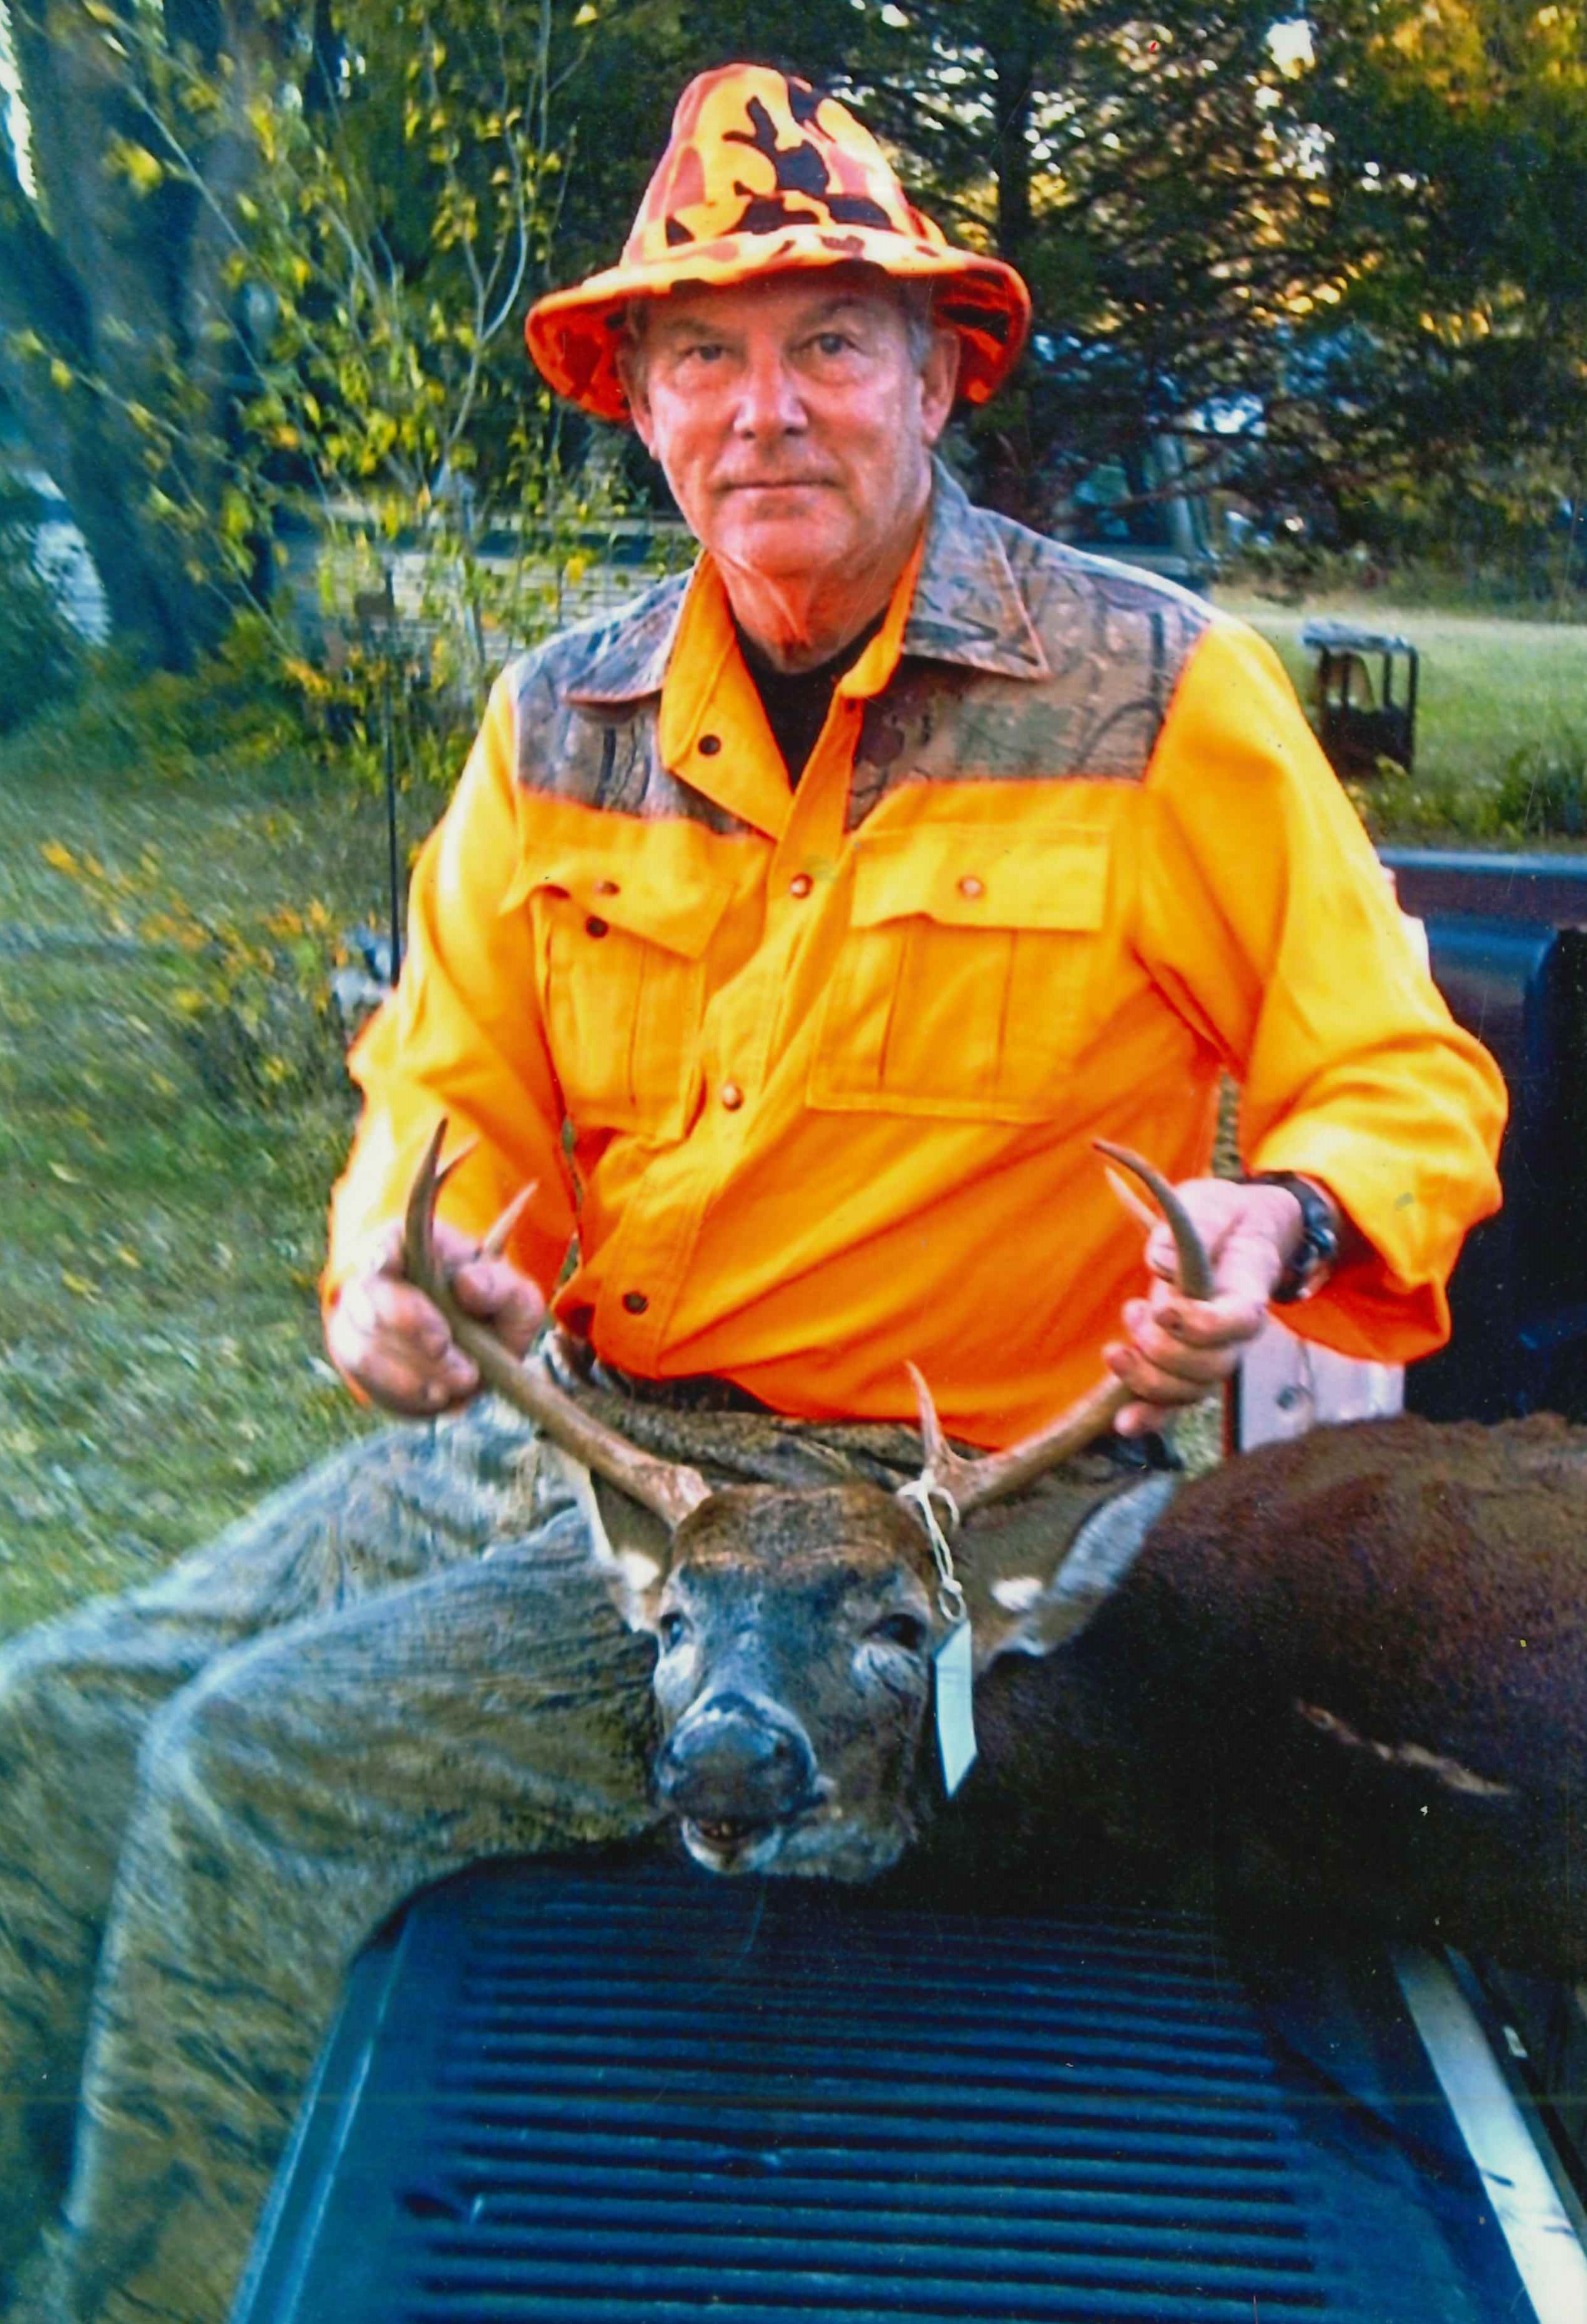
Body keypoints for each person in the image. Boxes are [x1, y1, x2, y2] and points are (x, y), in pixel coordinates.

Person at [0, 63, 1505, 2324]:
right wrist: (392, 1276)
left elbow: (1398, 1076)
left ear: (938, 373)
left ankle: (159, 2287)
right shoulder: (559, 722)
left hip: (915, 1503)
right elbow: (448, 1090)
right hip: (587, 1430)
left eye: (828, 343)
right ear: (637, 403)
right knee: (50, 1718)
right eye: (702, 352)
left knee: (254, 1769)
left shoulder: (1154, 699)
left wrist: (1274, 1224)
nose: (764, 408)